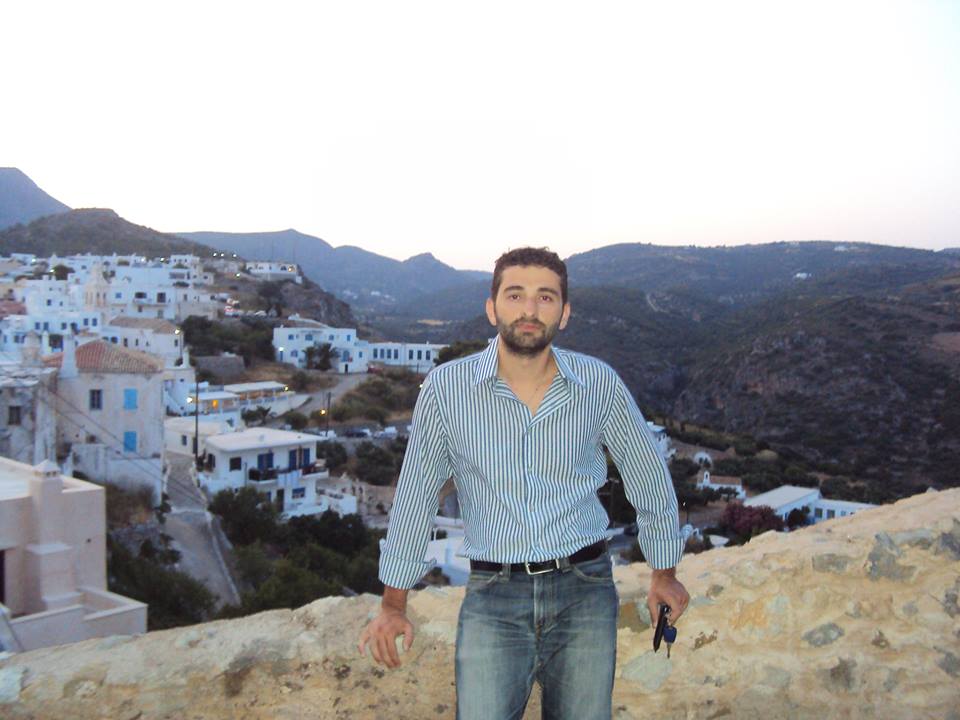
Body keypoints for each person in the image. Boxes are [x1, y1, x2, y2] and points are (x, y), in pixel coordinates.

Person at [359, 247, 689, 719]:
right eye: (515, 295)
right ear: (492, 307)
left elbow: (648, 476)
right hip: (493, 593)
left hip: (585, 590)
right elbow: (417, 493)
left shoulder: (599, 384)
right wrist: (394, 604)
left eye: (545, 297)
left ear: (564, 313)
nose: (530, 310)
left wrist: (664, 573)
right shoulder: (447, 389)